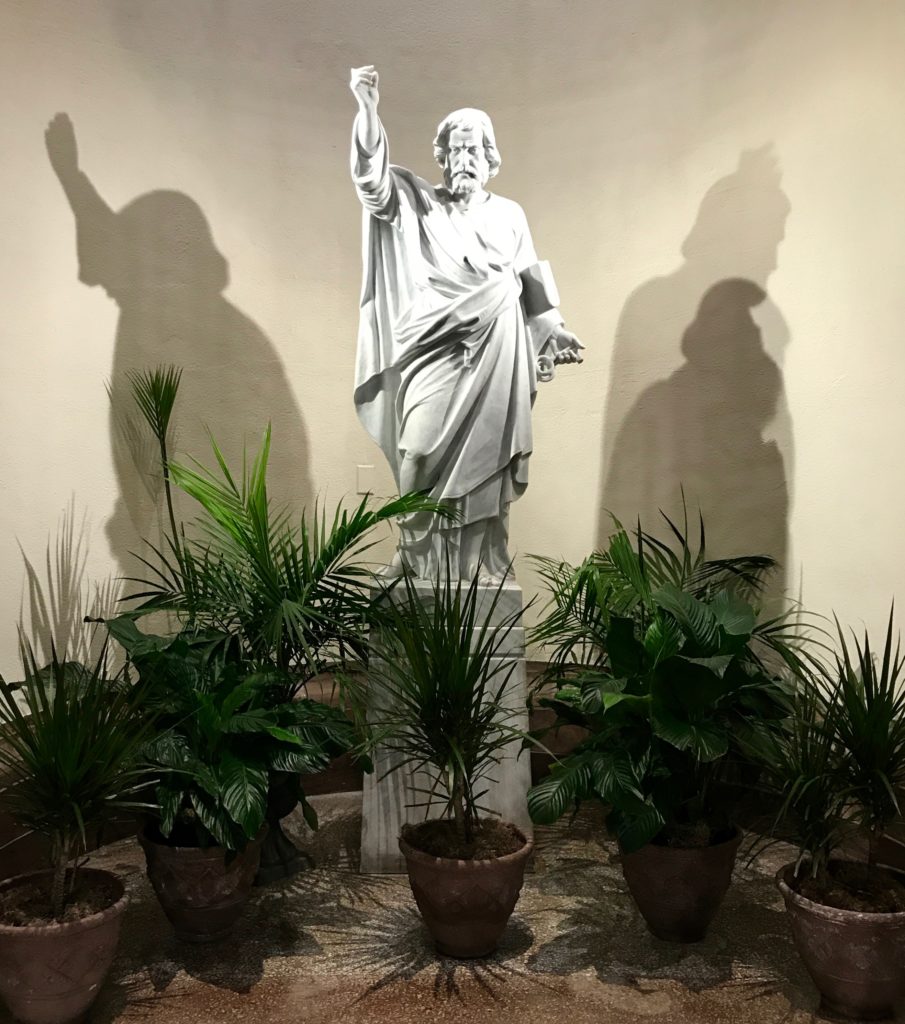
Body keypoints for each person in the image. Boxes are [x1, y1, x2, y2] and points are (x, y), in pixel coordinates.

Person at [350, 65, 583, 581]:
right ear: (443, 156)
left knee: (486, 463)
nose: (464, 160)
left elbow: (528, 277)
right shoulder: (420, 204)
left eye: (473, 150)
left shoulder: (510, 215)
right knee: (417, 451)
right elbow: (372, 184)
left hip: (496, 349)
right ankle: (413, 553)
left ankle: (479, 564)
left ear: (489, 157)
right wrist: (368, 110)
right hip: (433, 350)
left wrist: (554, 327)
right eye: (455, 150)